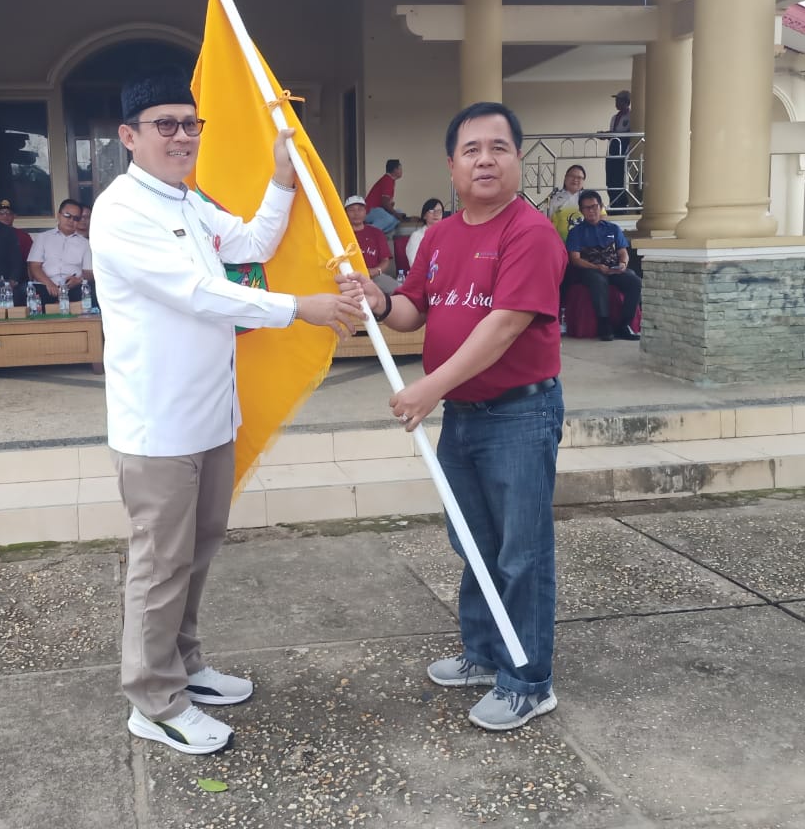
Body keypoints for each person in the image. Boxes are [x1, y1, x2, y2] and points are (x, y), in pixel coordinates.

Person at [90, 69, 363, 756]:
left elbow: (249, 245)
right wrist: (302, 308)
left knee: (198, 551)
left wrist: (281, 180)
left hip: (211, 414)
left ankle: (184, 664)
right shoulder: (121, 210)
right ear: (129, 137)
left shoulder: (188, 202)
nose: (182, 137)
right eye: (166, 125)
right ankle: (152, 700)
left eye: (191, 124)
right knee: (159, 564)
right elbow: (199, 292)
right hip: (158, 426)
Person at [341, 101, 566, 732]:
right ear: (451, 165)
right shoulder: (435, 237)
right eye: (472, 150)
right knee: (473, 543)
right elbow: (413, 307)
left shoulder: (530, 234)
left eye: (498, 147)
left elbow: (502, 328)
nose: (485, 159)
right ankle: (484, 653)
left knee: (523, 551)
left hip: (519, 415)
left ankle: (527, 680)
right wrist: (378, 298)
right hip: (465, 417)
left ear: (517, 158)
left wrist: (427, 389)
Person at [565, 189, 641, 341]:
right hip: (588, 270)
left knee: (634, 281)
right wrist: (597, 267)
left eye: (594, 206)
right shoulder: (576, 232)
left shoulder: (613, 229)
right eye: (587, 208)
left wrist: (623, 264)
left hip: (612, 268)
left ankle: (624, 325)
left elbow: (622, 251)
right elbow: (575, 259)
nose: (591, 211)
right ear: (581, 211)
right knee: (598, 280)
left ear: (600, 206)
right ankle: (603, 323)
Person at [27, 197, 92, 304]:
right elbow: (34, 266)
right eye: (67, 216)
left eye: (76, 218)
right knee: (28, 292)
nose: (71, 221)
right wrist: (49, 284)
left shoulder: (85, 243)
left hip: (73, 287)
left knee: (89, 292)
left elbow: (89, 272)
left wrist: (79, 280)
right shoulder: (43, 238)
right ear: (58, 215)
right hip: (45, 285)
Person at [345, 195, 396, 295]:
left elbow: (385, 260)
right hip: (347, 278)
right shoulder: (339, 233)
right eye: (351, 210)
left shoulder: (376, 233)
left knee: (399, 290)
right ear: (345, 213)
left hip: (374, 277)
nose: (356, 213)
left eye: (360, 209)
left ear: (365, 212)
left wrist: (376, 271)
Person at [544, 165, 608, 242]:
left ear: (583, 181)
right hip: (561, 243)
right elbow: (546, 221)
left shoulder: (591, 197)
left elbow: (602, 216)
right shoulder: (554, 198)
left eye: (579, 178)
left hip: (587, 244)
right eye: (572, 176)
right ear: (565, 177)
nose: (575, 180)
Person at [604, 90, 632, 209]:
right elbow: (614, 133)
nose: (616, 102)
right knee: (610, 179)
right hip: (612, 149)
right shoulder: (614, 117)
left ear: (626, 102)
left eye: (619, 100)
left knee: (618, 178)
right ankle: (613, 203)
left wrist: (609, 134)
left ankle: (621, 204)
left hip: (622, 149)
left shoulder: (631, 116)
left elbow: (626, 133)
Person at [364, 158, 406, 233]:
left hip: (378, 210)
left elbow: (386, 203)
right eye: (400, 169)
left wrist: (394, 210)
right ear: (395, 170)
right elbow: (384, 203)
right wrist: (395, 213)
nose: (401, 171)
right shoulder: (387, 180)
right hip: (369, 211)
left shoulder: (390, 180)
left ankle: (380, 234)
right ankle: (366, 233)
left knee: (399, 212)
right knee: (389, 218)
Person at [406, 197, 446, 268]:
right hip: (424, 276)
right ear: (424, 216)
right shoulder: (417, 236)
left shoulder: (447, 235)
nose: (436, 214)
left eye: (439, 211)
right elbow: (414, 263)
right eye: (432, 210)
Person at [0, 198, 35, 264]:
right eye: (0, 213)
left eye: (9, 213)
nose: (5, 216)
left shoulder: (23, 237)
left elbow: (31, 262)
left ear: (14, 216)